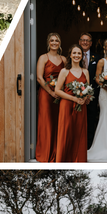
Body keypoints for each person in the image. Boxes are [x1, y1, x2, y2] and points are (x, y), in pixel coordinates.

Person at [55, 44, 89, 162]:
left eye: (79, 53)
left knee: (79, 133)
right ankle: (64, 159)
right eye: (74, 53)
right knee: (66, 132)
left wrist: (85, 98)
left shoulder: (85, 71)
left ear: (82, 55)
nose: (76, 55)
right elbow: (57, 90)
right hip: (67, 105)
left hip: (81, 106)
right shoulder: (64, 71)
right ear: (70, 55)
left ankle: (79, 159)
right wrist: (74, 99)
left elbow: (88, 90)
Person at [35, 33, 66, 162]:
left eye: (56, 40)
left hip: (59, 95)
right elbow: (39, 78)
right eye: (52, 40)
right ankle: (45, 153)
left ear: (59, 43)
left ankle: (56, 152)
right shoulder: (43, 58)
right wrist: (50, 92)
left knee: (58, 122)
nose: (54, 42)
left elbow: (67, 77)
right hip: (46, 95)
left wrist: (60, 92)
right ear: (48, 42)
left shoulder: (64, 60)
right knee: (46, 123)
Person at [80, 33, 101, 148]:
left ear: (91, 43)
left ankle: (89, 146)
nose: (85, 42)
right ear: (79, 42)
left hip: (93, 96)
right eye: (83, 40)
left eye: (87, 40)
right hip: (76, 94)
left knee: (91, 120)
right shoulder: (75, 55)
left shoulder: (97, 58)